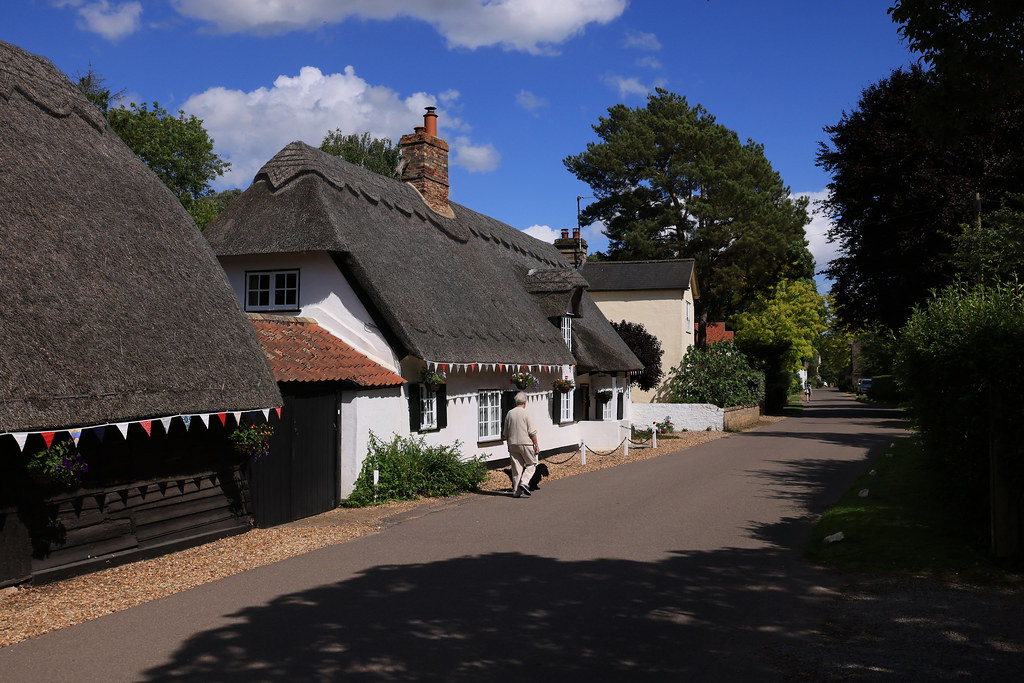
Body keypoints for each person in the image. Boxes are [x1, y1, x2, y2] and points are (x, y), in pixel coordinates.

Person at [502, 392, 540, 498]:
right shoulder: (527, 413)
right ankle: (524, 482)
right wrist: (536, 445)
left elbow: (505, 433)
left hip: (512, 443)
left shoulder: (509, 413)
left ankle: (516, 492)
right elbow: (532, 432)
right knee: (531, 464)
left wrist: (509, 444)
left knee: (516, 468)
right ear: (525, 402)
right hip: (526, 443)